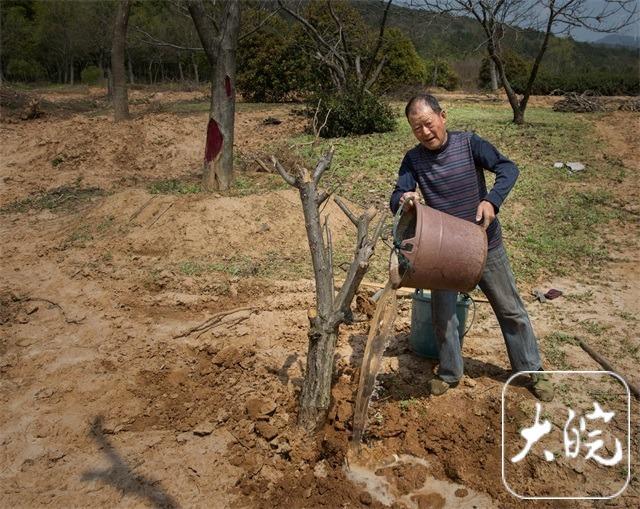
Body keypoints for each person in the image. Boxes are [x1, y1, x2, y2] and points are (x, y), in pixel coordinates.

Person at [390, 94, 553, 402]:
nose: (425, 132)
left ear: (443, 116)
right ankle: (450, 372)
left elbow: (508, 169)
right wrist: (404, 199)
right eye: (416, 128)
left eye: (428, 123)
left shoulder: (469, 144)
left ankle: (531, 371)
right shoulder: (413, 159)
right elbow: (397, 193)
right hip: (443, 252)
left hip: (485, 244)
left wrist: (492, 200)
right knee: (444, 317)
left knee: (511, 310)